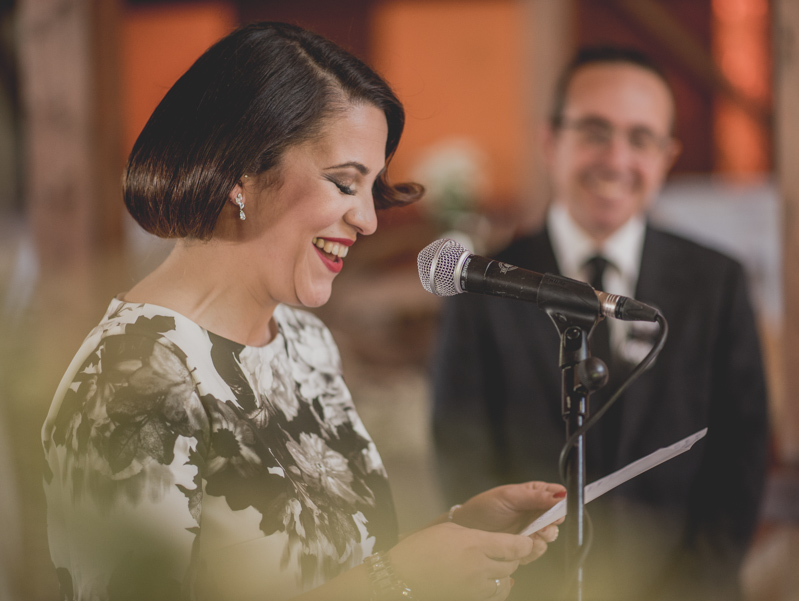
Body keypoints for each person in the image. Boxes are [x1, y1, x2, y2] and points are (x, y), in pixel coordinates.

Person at [41, 22, 565, 601]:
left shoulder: (303, 340)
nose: (367, 220)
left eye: (371, 189)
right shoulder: (130, 379)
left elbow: (335, 568)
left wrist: (453, 537)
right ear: (241, 171)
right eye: (345, 184)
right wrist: (400, 578)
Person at [431, 46, 769, 601]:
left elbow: (740, 455)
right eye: (594, 131)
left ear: (666, 156)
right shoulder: (485, 285)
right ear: (550, 141)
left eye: (641, 139)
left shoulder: (718, 282)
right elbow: (461, 452)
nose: (616, 159)